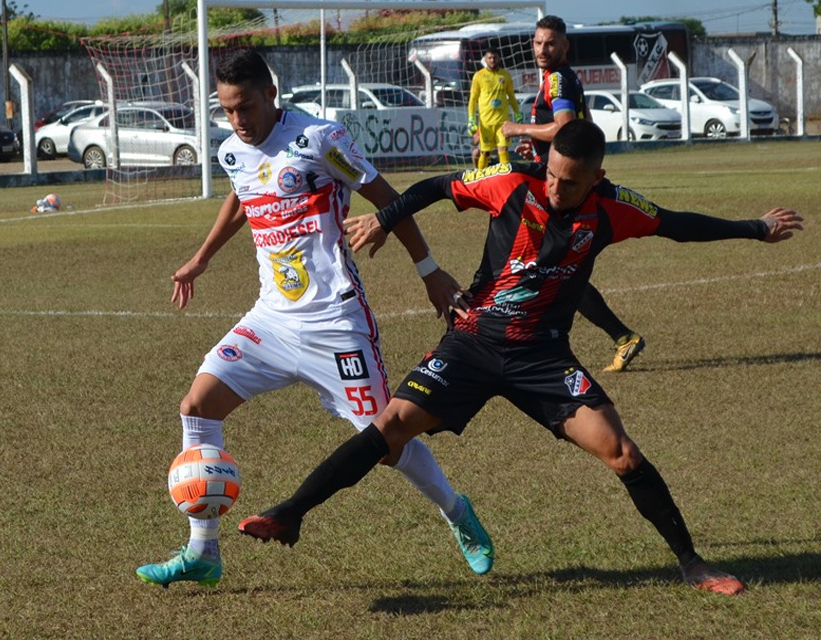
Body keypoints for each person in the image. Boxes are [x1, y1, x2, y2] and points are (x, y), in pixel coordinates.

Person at [238, 119, 803, 597]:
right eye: (554, 175)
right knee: (388, 430)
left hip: (543, 360)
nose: (557, 189)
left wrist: (756, 228)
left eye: (572, 183)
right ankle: (290, 513)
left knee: (623, 454)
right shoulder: (510, 182)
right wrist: (384, 219)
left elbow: (677, 225)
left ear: (597, 179)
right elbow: (438, 185)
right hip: (473, 343)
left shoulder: (611, 208)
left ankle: (693, 563)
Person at [135, 49, 494, 588]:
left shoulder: (319, 140)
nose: (238, 121)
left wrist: (429, 270)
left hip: (336, 322)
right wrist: (202, 257)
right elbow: (242, 194)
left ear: (270, 95)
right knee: (197, 406)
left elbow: (387, 198)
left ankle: (456, 511)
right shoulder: (233, 149)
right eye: (228, 110)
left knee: (386, 441)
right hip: (271, 321)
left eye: (247, 107)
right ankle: (203, 552)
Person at [502, 15, 645, 373]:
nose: (542, 49)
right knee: (561, 270)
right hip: (565, 179)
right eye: (537, 42)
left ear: (564, 46)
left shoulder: (557, 80)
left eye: (550, 43)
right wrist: (536, 145)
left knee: (551, 268)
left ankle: (615, 337)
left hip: (563, 188)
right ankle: (620, 337)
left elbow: (566, 127)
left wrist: (516, 127)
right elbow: (582, 127)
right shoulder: (563, 78)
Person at [468, 48, 519, 169]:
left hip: (502, 122)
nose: (492, 60)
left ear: (499, 58)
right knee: (485, 153)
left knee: (503, 150)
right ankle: (480, 177)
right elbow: (473, 99)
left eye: (494, 57)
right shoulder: (478, 76)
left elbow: (511, 96)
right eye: (489, 58)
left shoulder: (505, 76)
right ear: (485, 59)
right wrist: (471, 118)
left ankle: (504, 178)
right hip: (486, 123)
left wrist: (517, 112)